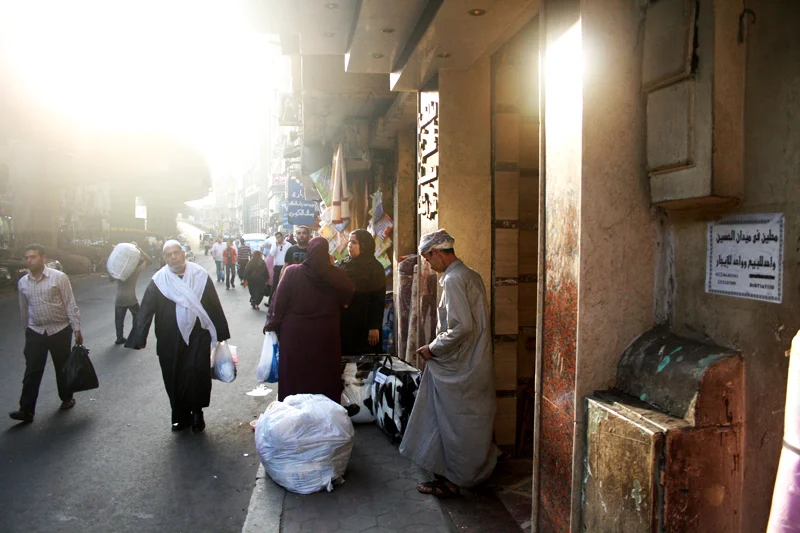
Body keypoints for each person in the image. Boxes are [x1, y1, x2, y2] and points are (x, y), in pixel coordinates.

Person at [399, 229, 498, 498]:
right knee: (469, 424)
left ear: (436, 253)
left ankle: (454, 480)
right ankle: (475, 471)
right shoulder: (470, 275)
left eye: (428, 259)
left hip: (461, 366)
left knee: (455, 427)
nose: (429, 265)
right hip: (474, 361)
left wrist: (432, 348)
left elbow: (461, 327)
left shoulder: (454, 280)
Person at [125, 240, 230, 433]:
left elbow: (213, 305)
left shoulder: (199, 275)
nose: (173, 257)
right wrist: (139, 336)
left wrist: (221, 333)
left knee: (197, 375)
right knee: (174, 376)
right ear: (164, 258)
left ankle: (197, 413)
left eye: (176, 252)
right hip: (169, 339)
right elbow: (146, 309)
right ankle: (180, 417)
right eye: (169, 254)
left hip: (198, 336)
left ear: (184, 253)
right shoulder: (159, 280)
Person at [263, 237, 354, 402]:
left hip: (295, 335)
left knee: (295, 377)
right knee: (323, 376)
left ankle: (293, 416)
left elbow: (279, 303)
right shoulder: (337, 275)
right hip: (326, 335)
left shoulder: (292, 272)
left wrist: (272, 324)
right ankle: (323, 418)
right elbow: (348, 298)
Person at [10, 244, 83, 423]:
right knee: (32, 370)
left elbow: (69, 303)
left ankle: (67, 398)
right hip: (36, 331)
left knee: (62, 366)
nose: (29, 260)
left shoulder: (59, 278)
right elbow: (24, 310)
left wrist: (76, 328)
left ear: (43, 258)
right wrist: (27, 331)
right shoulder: (23, 283)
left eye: (33, 257)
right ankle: (26, 410)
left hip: (59, 329)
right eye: (27, 257)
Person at [338, 229, 386, 355]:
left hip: (365, 322)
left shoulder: (375, 268)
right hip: (346, 321)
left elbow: (378, 299)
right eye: (349, 242)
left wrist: (374, 326)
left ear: (364, 245)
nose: (350, 245)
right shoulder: (344, 263)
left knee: (365, 360)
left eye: (354, 242)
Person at [112, 244, 152, 345]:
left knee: (119, 320)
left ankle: (119, 338)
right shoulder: (135, 270)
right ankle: (135, 335)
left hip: (120, 299)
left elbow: (110, 277)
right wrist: (141, 250)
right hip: (131, 299)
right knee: (137, 317)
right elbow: (149, 260)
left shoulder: (119, 271)